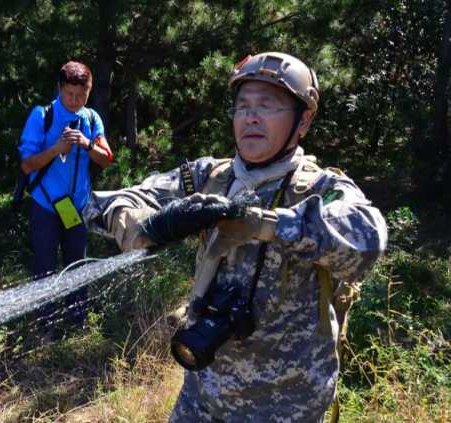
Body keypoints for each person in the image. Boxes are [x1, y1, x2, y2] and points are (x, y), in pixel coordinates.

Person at [83, 52, 387, 422]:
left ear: (303, 120)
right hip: (202, 395)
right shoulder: (208, 177)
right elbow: (102, 206)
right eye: (242, 106)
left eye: (267, 105)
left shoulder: (321, 189)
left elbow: (369, 241)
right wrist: (150, 225)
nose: (251, 117)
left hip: (285, 407)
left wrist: (266, 225)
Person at [19, 60, 114, 325]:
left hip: (77, 207)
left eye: (81, 95)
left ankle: (77, 322)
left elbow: (106, 158)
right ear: (60, 89)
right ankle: (45, 327)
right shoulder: (43, 115)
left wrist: (85, 144)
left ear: (89, 90)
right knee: (45, 269)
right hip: (46, 207)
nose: (74, 100)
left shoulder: (91, 118)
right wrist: (56, 149)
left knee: (77, 267)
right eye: (69, 94)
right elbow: (27, 165)